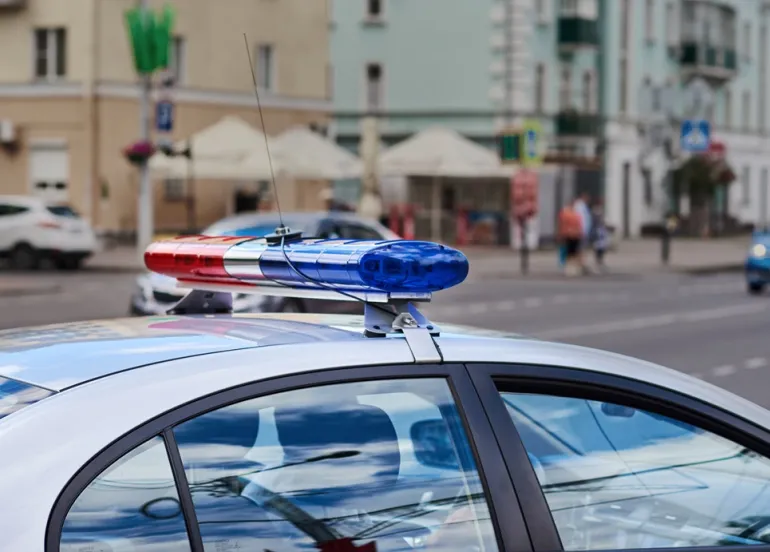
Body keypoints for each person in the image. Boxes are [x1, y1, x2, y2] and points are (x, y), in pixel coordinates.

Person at [557, 199, 583, 276]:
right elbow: (579, 225)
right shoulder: (576, 214)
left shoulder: (564, 213)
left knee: (569, 252)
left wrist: (560, 234)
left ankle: (569, 269)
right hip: (575, 235)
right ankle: (574, 269)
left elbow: (561, 224)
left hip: (568, 234)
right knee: (574, 252)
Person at [574, 192, 592, 274]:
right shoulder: (579, 206)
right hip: (581, 231)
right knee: (580, 249)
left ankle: (582, 265)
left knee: (582, 249)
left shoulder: (583, 206)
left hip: (584, 231)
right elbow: (579, 219)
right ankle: (581, 265)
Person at [590, 201, 610, 271]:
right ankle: (597, 261)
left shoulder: (600, 212)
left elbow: (603, 222)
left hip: (602, 232)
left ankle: (600, 260)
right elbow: (594, 223)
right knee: (597, 248)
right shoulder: (594, 213)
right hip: (597, 232)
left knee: (602, 247)